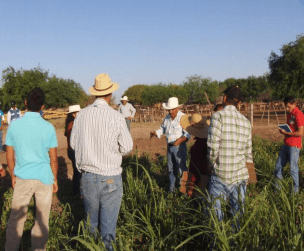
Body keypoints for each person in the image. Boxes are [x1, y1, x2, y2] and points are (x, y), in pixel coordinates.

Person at [70, 73, 133, 251]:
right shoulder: (116, 116)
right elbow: (127, 147)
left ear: (95, 94)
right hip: (110, 176)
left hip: (88, 176)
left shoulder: (81, 115)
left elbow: (73, 144)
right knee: (108, 229)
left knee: (91, 224)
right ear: (110, 95)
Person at [5, 87, 58, 251]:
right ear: (42, 106)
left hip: (22, 178)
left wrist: (13, 176)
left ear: (26, 103)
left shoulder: (14, 126)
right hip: (44, 178)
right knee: (42, 220)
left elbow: (9, 156)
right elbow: (54, 159)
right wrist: (54, 179)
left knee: (16, 221)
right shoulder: (49, 127)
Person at [207, 85, 252, 227]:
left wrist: (211, 165)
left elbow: (212, 148)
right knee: (237, 216)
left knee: (215, 216)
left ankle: (216, 245)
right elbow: (248, 153)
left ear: (225, 98)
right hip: (240, 177)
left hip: (220, 174)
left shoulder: (218, 116)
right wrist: (248, 174)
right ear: (239, 102)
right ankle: (235, 244)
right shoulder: (246, 122)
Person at [150, 97, 190, 194]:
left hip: (179, 147)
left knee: (181, 168)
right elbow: (162, 129)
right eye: (169, 110)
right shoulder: (167, 118)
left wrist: (180, 141)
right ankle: (172, 189)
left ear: (177, 108)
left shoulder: (183, 118)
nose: (171, 111)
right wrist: (155, 132)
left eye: (172, 109)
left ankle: (184, 190)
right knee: (171, 169)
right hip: (170, 146)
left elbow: (187, 134)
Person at [274, 96, 304, 193]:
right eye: (285, 107)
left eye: (288, 106)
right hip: (286, 144)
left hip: (294, 146)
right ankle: (277, 190)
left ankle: (295, 192)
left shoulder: (298, 114)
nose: (287, 109)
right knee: (278, 166)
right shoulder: (290, 114)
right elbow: (291, 127)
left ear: (294, 104)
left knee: (293, 168)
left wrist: (287, 133)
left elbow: (300, 133)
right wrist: (284, 130)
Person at [180, 113, 210, 197]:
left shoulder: (199, 145)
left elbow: (194, 168)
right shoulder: (206, 141)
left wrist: (190, 187)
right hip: (205, 175)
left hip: (198, 177)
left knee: (197, 198)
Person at [65, 104, 81, 196]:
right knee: (78, 172)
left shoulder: (71, 123)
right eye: (78, 112)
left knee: (77, 171)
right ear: (73, 114)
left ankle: (76, 191)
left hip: (72, 150)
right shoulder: (73, 124)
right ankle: (76, 192)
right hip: (74, 150)